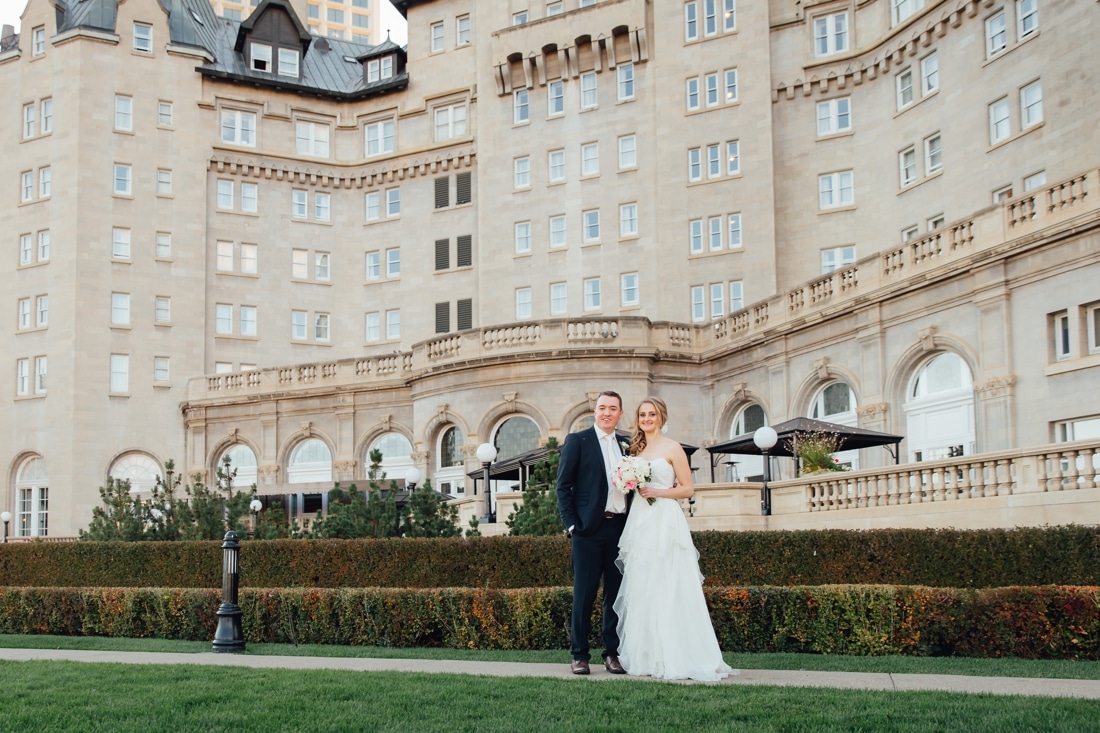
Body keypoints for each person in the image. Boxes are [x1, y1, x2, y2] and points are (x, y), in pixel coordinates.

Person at [613, 396, 736, 681]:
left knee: (669, 582)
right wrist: (627, 481)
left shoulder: (672, 447)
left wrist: (658, 492)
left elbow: (688, 488)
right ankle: (648, 656)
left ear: (661, 417)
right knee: (644, 582)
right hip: (641, 520)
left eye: (651, 414)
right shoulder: (636, 450)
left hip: (665, 518)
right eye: (642, 414)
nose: (646, 418)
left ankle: (678, 656)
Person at [555, 391, 631, 675]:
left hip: (620, 529)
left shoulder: (626, 445)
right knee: (584, 594)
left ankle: (611, 654)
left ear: (620, 414)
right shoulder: (578, 441)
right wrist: (572, 525)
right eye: (602, 408)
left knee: (615, 595)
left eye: (613, 408)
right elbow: (562, 486)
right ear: (595, 411)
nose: (607, 413)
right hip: (587, 530)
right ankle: (579, 655)